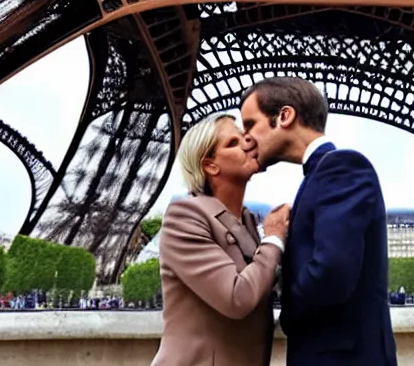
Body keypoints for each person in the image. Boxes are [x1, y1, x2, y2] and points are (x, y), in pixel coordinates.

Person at [241, 77, 397, 366]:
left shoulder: (342, 167)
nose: (246, 138)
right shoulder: (321, 174)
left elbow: (332, 272)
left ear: (284, 116)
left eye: (250, 124)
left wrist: (286, 313)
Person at [152, 113, 290, 366]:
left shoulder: (246, 220)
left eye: (244, 137)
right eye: (233, 143)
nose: (248, 142)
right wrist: (273, 239)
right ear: (210, 166)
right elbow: (237, 298)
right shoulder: (185, 216)